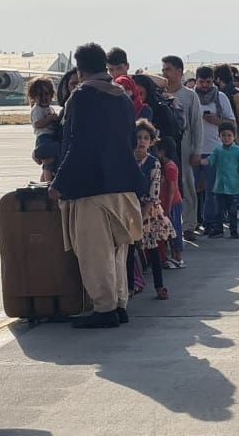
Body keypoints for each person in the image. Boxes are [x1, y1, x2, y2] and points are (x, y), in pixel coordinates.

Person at [50, 43, 144, 329]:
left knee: (94, 252)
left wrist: (59, 182)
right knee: (118, 249)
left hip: (91, 186)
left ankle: (104, 309)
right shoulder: (123, 97)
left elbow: (78, 145)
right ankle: (119, 304)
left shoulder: (82, 97)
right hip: (124, 183)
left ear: (80, 70)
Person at [191, 65, 235, 236]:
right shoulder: (191, 96)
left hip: (214, 150)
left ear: (213, 81)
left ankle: (212, 223)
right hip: (194, 149)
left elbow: (231, 123)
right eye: (201, 82)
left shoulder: (221, 97)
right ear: (196, 81)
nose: (204, 85)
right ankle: (194, 221)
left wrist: (215, 120)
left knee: (212, 191)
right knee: (193, 190)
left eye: (208, 82)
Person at [132, 119, 173, 299]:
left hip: (148, 211)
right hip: (129, 208)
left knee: (152, 248)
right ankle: (129, 286)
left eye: (145, 138)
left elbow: (153, 193)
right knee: (129, 250)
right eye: (138, 137)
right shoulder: (127, 159)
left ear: (151, 141)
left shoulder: (154, 163)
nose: (141, 141)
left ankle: (159, 286)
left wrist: (142, 214)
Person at [159, 57, 204, 211]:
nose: (165, 73)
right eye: (163, 69)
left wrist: (197, 151)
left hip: (185, 147)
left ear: (179, 72)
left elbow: (197, 124)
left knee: (186, 183)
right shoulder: (159, 96)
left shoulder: (190, 95)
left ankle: (189, 224)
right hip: (165, 147)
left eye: (168, 69)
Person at [208, 122, 239, 238]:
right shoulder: (218, 150)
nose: (226, 138)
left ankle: (234, 230)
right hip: (220, 186)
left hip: (233, 185)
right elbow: (210, 160)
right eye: (223, 135)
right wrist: (201, 161)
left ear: (234, 137)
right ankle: (218, 229)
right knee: (219, 210)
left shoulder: (237, 150)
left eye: (229, 135)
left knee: (232, 210)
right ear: (219, 136)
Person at [155, 138, 185, 268]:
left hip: (172, 204)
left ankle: (177, 256)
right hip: (165, 204)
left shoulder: (170, 167)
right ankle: (170, 257)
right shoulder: (163, 166)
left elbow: (172, 188)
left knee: (175, 229)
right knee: (166, 231)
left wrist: (168, 207)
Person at [28, 75, 63, 182]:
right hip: (44, 138)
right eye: (39, 94)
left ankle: (43, 181)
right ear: (34, 97)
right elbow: (38, 124)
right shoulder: (37, 110)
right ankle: (48, 183)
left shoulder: (49, 108)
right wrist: (49, 119)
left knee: (50, 163)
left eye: (47, 94)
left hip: (51, 137)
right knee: (48, 161)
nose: (44, 97)